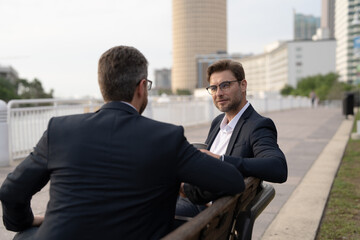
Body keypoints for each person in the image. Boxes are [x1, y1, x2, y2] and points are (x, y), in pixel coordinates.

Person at [0, 46, 245, 240]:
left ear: (103, 86)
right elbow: (232, 180)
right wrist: (182, 187)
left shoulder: (60, 130)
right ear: (141, 87)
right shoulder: (167, 138)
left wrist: (23, 222)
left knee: (25, 235)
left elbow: (11, 191)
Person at [176, 59, 288, 217]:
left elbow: (278, 167)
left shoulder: (258, 125)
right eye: (213, 88)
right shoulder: (217, 122)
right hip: (197, 200)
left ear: (243, 85)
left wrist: (220, 159)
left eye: (225, 85)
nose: (219, 93)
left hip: (208, 215)